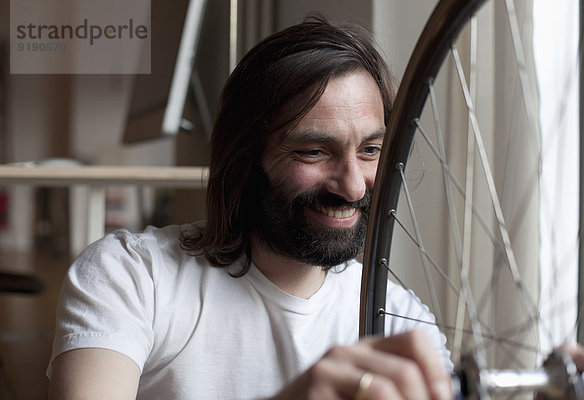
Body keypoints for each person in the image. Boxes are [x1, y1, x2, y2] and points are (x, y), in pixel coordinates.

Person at [48, 15, 455, 400]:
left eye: (370, 149)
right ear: (245, 160)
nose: (351, 186)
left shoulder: (400, 322)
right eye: (313, 151)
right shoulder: (131, 277)